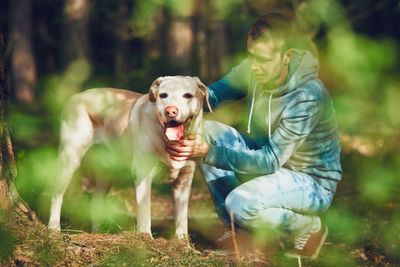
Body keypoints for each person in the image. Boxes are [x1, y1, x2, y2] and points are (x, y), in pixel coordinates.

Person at [166, 13, 341, 260]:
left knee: (240, 203)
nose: (254, 66)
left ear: (287, 56)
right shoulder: (253, 69)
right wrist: (171, 105)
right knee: (208, 131)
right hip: (267, 165)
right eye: (251, 56)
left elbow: (270, 161)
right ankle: (238, 229)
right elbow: (209, 96)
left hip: (310, 181)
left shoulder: (307, 97)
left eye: (263, 59)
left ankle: (308, 226)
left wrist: (207, 152)